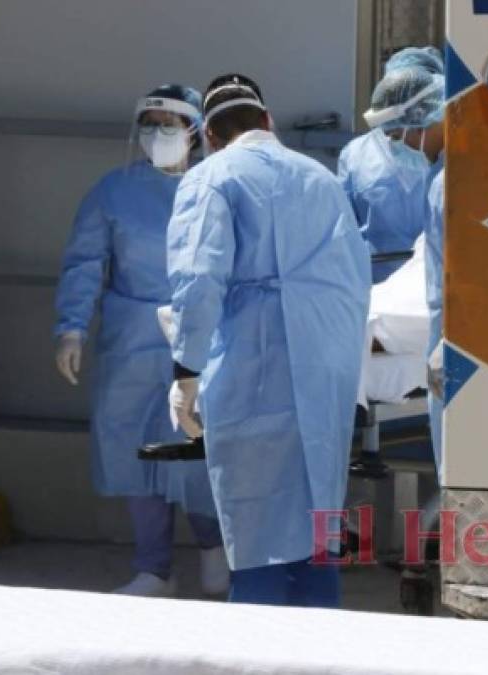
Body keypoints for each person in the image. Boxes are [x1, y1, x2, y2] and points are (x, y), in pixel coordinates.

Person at [165, 74, 370, 607]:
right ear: (268, 121)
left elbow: (198, 280)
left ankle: (251, 657)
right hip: (324, 369)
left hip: (254, 370)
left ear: (208, 136)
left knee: (256, 534)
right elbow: (354, 281)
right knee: (316, 528)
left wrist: (185, 371)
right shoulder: (321, 179)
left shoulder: (211, 179)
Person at [54, 85, 227, 598]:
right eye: (149, 124)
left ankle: (215, 550)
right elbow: (85, 263)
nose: (158, 134)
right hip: (131, 340)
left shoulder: (217, 188)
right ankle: (154, 567)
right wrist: (71, 327)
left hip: (201, 336)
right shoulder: (113, 192)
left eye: (169, 123)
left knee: (198, 448)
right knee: (136, 451)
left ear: (196, 130)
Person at [362, 63, 446, 481]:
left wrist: (446, 344)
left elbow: (463, 274)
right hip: (437, 327)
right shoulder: (443, 178)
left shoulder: (451, 184)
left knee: (458, 466)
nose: (398, 146)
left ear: (424, 119)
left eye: (399, 135)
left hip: (447, 336)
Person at [338, 47, 444, 283]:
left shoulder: (449, 164)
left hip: (437, 281)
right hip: (379, 285)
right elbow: (344, 233)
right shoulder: (356, 154)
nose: (393, 142)